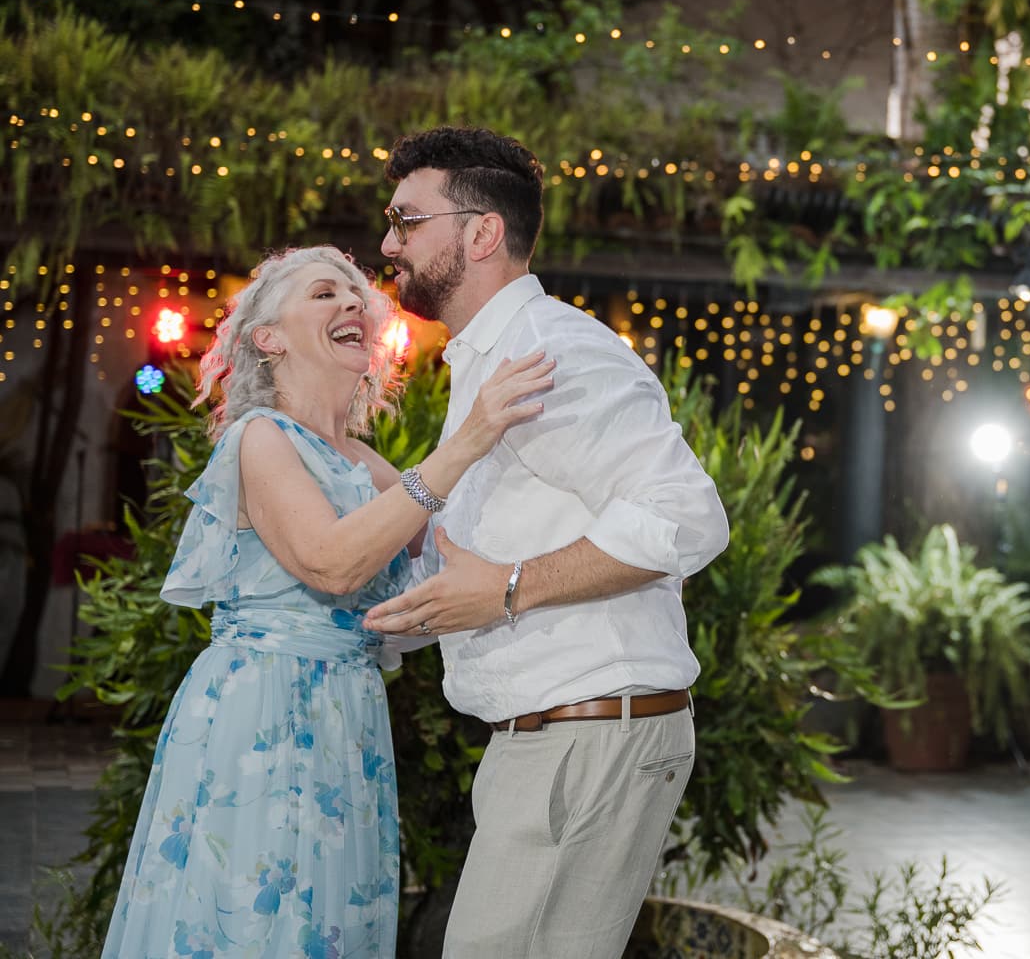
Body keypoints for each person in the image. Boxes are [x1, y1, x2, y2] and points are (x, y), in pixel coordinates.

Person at [102, 245, 554, 958]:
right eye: (323, 294)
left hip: (348, 716)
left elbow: (452, 571)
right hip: (262, 711)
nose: (353, 303)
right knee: (253, 918)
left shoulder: (367, 463)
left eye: (357, 297)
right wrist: (465, 444)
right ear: (267, 339)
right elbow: (331, 564)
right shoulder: (259, 438)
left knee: (328, 923)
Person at [363, 126, 730, 958]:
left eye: (406, 219)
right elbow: (475, 564)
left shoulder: (550, 352)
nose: (388, 243)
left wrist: (507, 587)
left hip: (583, 737)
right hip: (563, 735)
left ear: (482, 232)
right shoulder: (487, 363)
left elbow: (688, 513)